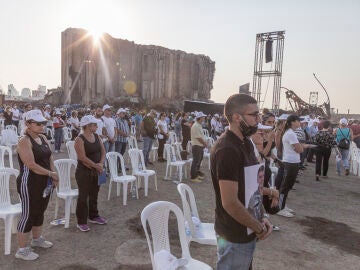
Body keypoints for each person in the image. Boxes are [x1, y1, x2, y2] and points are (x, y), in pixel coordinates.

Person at [211, 94, 272, 269]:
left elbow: (253, 187)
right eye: (254, 115)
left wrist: (262, 217)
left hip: (247, 228)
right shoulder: (227, 149)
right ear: (237, 117)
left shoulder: (245, 143)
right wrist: (258, 227)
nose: (258, 119)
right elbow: (230, 202)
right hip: (234, 235)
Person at [15, 109, 59, 260]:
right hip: (29, 183)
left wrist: (53, 174)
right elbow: (31, 164)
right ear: (28, 124)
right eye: (38, 123)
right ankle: (21, 250)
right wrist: (50, 174)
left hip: (44, 182)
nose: (42, 126)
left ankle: (36, 239)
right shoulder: (24, 141)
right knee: (28, 214)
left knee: (40, 211)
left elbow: (50, 158)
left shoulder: (43, 138)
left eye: (44, 123)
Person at [74, 115, 106, 232]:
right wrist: (96, 165)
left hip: (97, 170)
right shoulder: (79, 139)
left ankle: (93, 216)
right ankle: (81, 221)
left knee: (94, 194)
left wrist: (101, 164)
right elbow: (82, 157)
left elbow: (103, 151)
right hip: (84, 172)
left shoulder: (97, 136)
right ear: (87, 126)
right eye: (94, 125)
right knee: (83, 196)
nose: (96, 126)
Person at [277, 115, 304, 218]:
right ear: (293, 122)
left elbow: (298, 147)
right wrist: (301, 146)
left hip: (291, 162)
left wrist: (300, 146)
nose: (300, 122)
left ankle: (283, 206)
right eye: (298, 121)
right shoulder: (291, 133)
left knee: (287, 186)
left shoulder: (289, 132)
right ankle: (280, 208)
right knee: (285, 186)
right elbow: (299, 149)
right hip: (291, 162)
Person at [190, 112, 208, 183]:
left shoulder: (198, 125)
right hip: (197, 146)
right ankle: (193, 177)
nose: (204, 118)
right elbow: (198, 138)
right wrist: (205, 144)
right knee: (196, 161)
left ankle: (196, 174)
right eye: (203, 117)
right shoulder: (196, 126)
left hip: (199, 146)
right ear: (199, 118)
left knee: (198, 161)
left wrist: (204, 144)